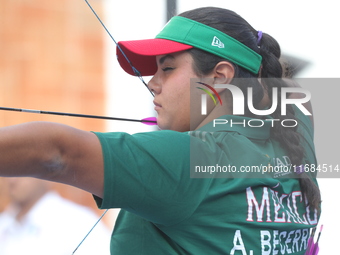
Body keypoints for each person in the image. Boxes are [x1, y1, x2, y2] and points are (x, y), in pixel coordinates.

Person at [0, 6, 321, 254]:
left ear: (220, 77)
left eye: (167, 69)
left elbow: (58, 153)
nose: (152, 85)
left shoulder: (193, 159)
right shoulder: (296, 147)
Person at [0, 177, 111, 255]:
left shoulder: (80, 223)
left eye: (22, 169)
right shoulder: (4, 224)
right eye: (9, 170)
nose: (12, 180)